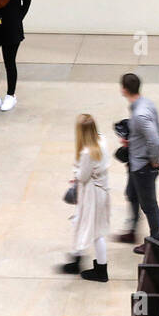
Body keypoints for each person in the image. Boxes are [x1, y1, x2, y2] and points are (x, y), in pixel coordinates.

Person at [115, 73, 159, 253]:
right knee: (132, 194)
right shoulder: (145, 104)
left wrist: (154, 161)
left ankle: (156, 240)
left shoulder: (140, 114)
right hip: (136, 162)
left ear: (124, 89)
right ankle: (132, 231)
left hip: (143, 166)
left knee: (149, 204)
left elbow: (154, 140)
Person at [63, 114, 112, 281]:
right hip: (101, 190)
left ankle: (101, 271)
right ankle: (78, 259)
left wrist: (76, 173)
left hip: (91, 193)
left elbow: (83, 176)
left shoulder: (86, 152)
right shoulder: (102, 140)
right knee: (84, 224)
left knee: (94, 231)